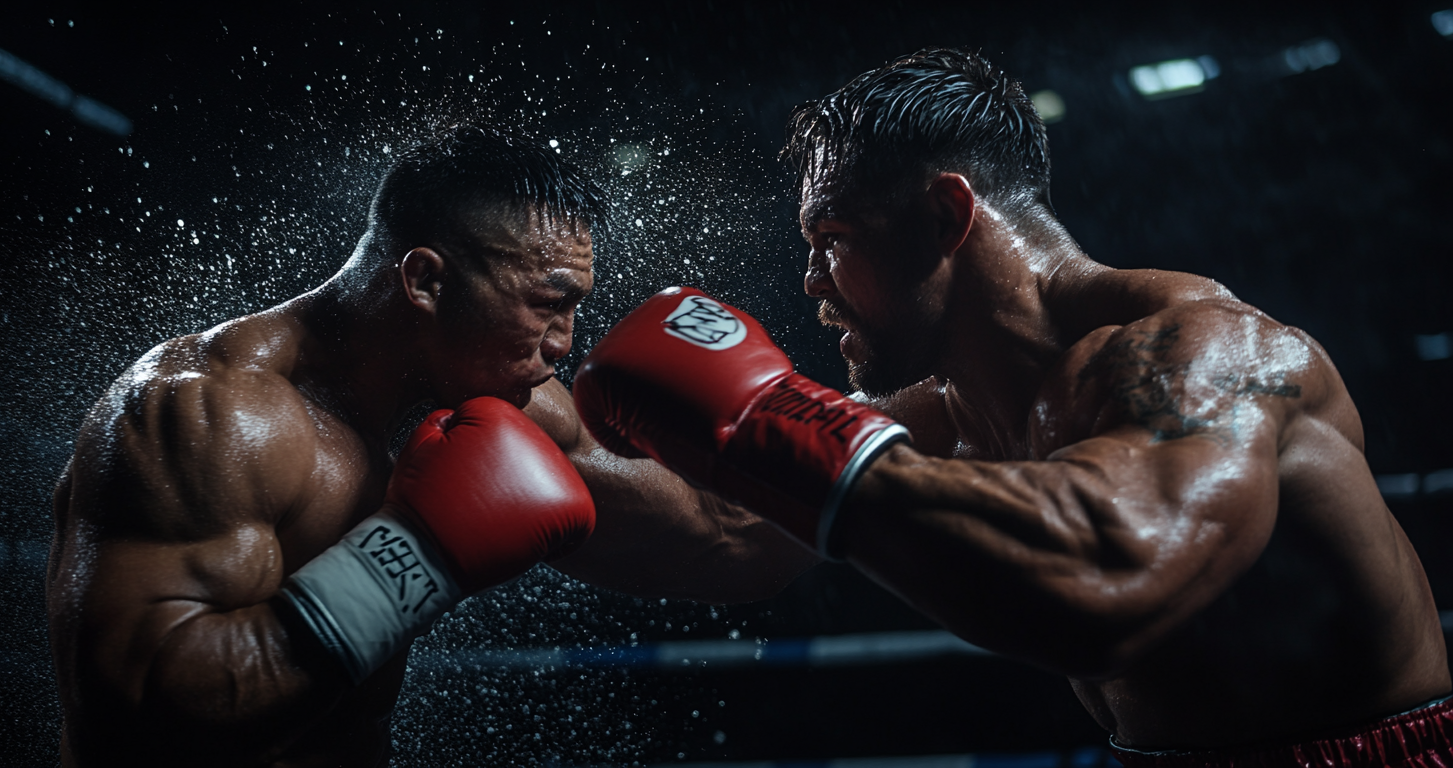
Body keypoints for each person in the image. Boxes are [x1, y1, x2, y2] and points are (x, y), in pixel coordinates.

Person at [575, 48, 1453, 765]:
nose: (811, 281)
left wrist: (774, 414)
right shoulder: (956, 407)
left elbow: (1106, 572)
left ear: (945, 215)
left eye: (832, 239)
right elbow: (717, 528)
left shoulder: (1208, 354)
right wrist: (496, 401)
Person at [47, 124, 817, 768]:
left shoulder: (503, 402)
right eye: (549, 305)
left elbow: (728, 544)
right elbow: (138, 719)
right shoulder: (209, 413)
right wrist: (415, 555)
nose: (564, 344)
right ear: (425, 281)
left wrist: (885, 431)